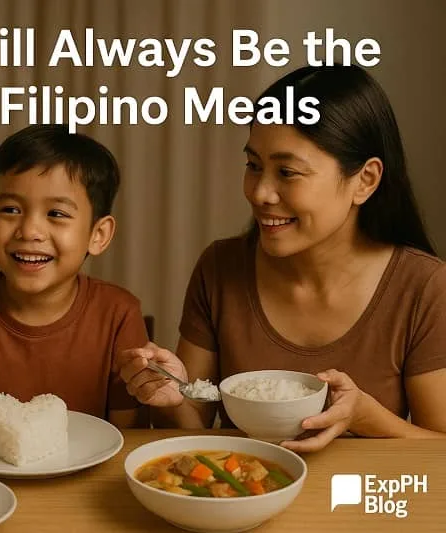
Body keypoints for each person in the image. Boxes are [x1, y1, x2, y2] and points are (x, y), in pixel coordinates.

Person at [117, 65, 446, 451]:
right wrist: (171, 396)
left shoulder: (423, 287)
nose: (260, 193)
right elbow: (195, 425)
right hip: (240, 502)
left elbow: (439, 446)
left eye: (287, 172)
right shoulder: (220, 267)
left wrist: (367, 418)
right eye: (254, 166)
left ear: (365, 180)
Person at [0, 124, 148, 429]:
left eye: (56, 214)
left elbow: (126, 438)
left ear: (98, 234)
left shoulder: (119, 315)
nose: (30, 232)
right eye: (10, 209)